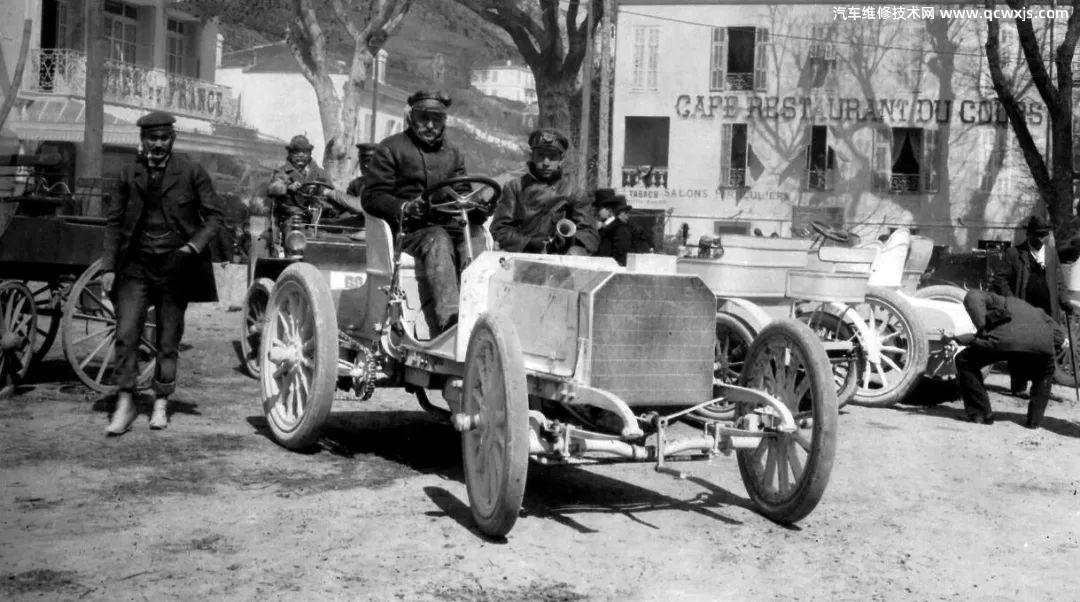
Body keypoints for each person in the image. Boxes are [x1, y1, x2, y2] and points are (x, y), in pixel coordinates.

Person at [99, 111, 223, 435]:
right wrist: (108, 267)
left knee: (167, 339)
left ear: (173, 139)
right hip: (135, 266)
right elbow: (113, 223)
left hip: (175, 268)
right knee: (126, 333)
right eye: (151, 138)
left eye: (163, 138)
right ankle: (125, 403)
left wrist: (190, 248)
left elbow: (214, 218)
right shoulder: (128, 173)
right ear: (142, 140)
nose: (157, 144)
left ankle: (160, 403)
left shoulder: (192, 172)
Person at [362, 90, 487, 335]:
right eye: (423, 118)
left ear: (444, 121)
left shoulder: (453, 153)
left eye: (436, 119)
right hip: (407, 232)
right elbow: (372, 196)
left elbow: (462, 192)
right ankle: (450, 322)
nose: (430, 125)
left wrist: (478, 208)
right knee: (437, 238)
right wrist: (405, 207)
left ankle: (478, 316)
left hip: (445, 224)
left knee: (474, 236)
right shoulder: (391, 148)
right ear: (411, 118)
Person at [944, 290, 1058, 428]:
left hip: (1005, 341)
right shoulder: (1028, 307)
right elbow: (1054, 327)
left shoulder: (988, 301)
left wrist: (959, 338)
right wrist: (1061, 339)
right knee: (1045, 371)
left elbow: (975, 305)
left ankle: (980, 414)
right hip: (1042, 345)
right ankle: (1034, 422)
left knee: (965, 360)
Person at [991, 214, 1073, 395]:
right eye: (1036, 235)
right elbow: (1000, 280)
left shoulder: (1051, 253)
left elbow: (1059, 281)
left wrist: (1065, 301)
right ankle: (1019, 387)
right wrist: (1011, 301)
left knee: (1047, 348)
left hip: (1047, 310)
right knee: (1021, 346)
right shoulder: (1013, 253)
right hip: (1023, 308)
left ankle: (1044, 388)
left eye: (1043, 235)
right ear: (1028, 235)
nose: (1040, 238)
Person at [490, 129, 598, 255]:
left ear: (561, 160)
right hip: (521, 258)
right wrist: (529, 243)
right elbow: (499, 228)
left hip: (560, 262)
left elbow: (589, 232)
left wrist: (576, 249)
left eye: (552, 157)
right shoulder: (514, 188)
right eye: (541, 156)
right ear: (532, 157)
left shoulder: (574, 192)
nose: (546, 163)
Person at [267, 135, 331, 240]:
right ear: (290, 154)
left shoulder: (320, 173)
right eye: (296, 152)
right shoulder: (282, 172)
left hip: (317, 217)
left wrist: (320, 191)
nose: (300, 156)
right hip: (291, 217)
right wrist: (287, 187)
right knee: (294, 238)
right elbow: (272, 188)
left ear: (310, 154)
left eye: (304, 152)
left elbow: (329, 190)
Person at [594, 193, 632, 266]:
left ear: (609, 210)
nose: (597, 212)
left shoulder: (620, 228)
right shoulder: (606, 227)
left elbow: (621, 255)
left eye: (599, 209)